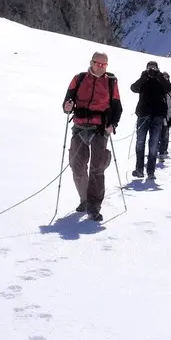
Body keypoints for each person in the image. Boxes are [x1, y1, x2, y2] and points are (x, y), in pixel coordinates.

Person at [61, 52, 123, 222]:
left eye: (104, 65)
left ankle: (94, 207)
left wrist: (113, 124)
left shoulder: (111, 82)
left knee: (96, 169)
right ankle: (85, 199)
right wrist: (67, 106)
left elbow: (117, 107)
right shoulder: (79, 79)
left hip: (99, 128)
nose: (101, 67)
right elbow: (67, 103)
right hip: (80, 126)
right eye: (98, 63)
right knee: (77, 166)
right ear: (91, 62)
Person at [130, 60, 171, 180]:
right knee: (140, 143)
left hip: (157, 117)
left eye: (154, 68)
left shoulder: (161, 81)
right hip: (143, 116)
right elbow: (133, 88)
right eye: (149, 68)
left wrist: (160, 77)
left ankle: (151, 171)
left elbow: (170, 89)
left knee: (153, 145)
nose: (152, 70)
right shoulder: (144, 79)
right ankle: (139, 169)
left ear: (158, 69)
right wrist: (144, 77)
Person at [158, 72, 171, 159]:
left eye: (166, 77)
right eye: (163, 77)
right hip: (158, 116)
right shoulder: (157, 87)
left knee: (165, 134)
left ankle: (164, 150)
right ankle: (159, 149)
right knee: (157, 134)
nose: (165, 78)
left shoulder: (170, 88)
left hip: (167, 116)